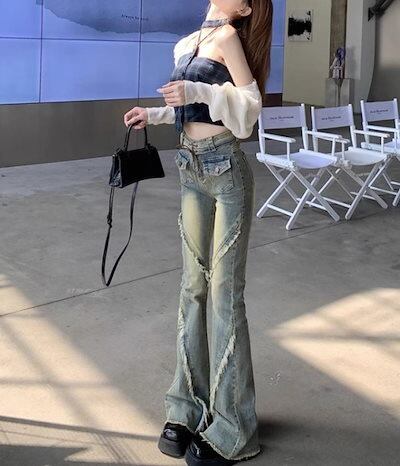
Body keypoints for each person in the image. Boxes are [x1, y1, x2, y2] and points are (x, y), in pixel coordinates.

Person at [124, 1, 273, 464]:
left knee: (225, 295)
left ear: (245, 8)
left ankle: (234, 427)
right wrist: (154, 114)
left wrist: (198, 89)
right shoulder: (188, 43)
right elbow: (191, 108)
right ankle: (186, 408)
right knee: (192, 289)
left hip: (226, 169)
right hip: (189, 166)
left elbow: (249, 109)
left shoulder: (228, 38)